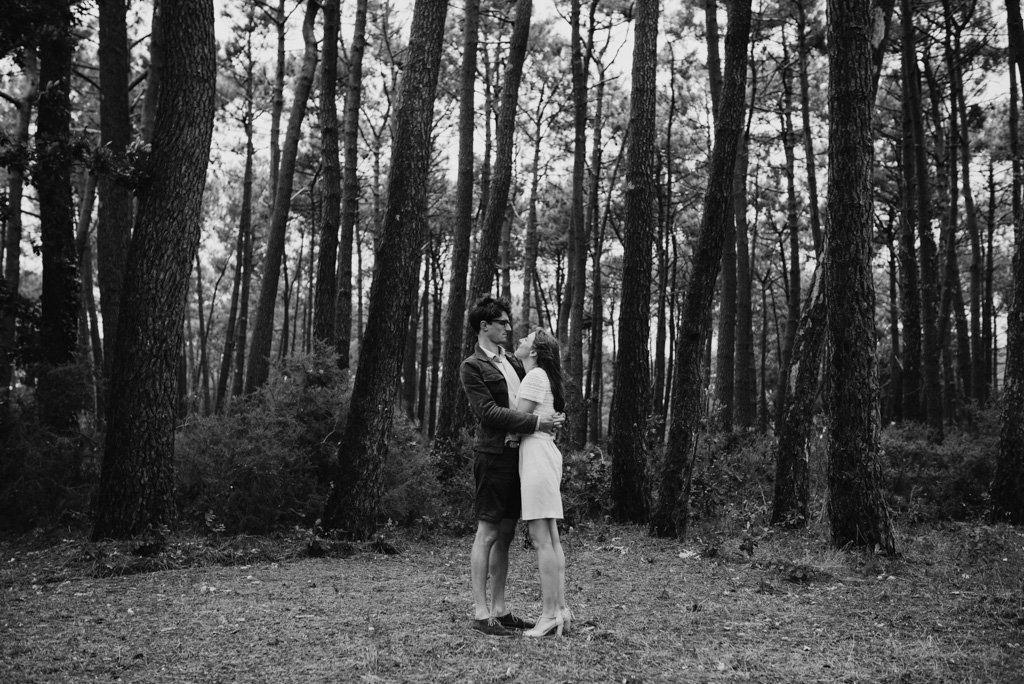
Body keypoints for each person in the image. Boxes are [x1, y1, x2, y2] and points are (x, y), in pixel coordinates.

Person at [460, 296, 564, 637]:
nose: (508, 327)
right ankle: (480, 612)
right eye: (502, 322)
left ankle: (501, 610)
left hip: (519, 457)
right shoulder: (472, 366)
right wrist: (537, 423)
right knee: (487, 532)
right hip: (492, 457)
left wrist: (548, 418)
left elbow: (530, 404)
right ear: (483, 326)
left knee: (505, 535)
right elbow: (488, 413)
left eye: (508, 322)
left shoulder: (515, 364)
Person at [513, 328, 571, 638]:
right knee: (550, 537)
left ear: (534, 351)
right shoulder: (541, 377)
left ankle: (550, 614)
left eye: (526, 339)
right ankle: (560, 609)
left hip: (536, 453)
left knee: (541, 538)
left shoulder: (534, 377)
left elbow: (517, 422)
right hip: (544, 452)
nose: (520, 340)